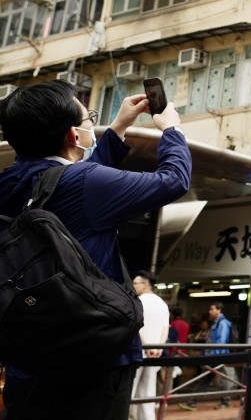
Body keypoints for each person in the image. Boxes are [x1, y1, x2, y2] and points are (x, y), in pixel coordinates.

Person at [0, 81, 191, 420]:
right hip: (93, 357)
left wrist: (117, 128)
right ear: (74, 136)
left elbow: (71, 182)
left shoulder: (9, 183)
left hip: (25, 358)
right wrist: (171, 130)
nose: (92, 122)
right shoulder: (85, 183)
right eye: (89, 117)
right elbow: (173, 179)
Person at [131, 271, 170, 420]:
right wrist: (158, 348)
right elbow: (165, 328)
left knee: (130, 390)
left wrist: (146, 346)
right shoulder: (162, 304)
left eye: (136, 283)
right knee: (148, 393)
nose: (133, 286)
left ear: (145, 284)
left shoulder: (137, 301)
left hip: (137, 353)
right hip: (154, 356)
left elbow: (137, 327)